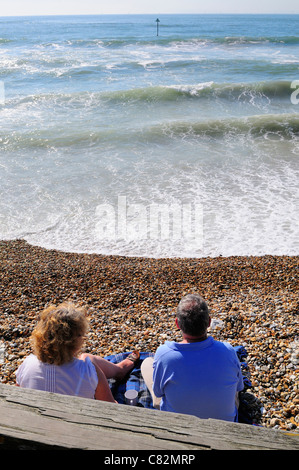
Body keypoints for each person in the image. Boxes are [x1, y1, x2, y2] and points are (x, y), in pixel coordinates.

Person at [141, 293, 244, 421]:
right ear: (209, 322)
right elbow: (239, 387)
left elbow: (158, 392)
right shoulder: (228, 351)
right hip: (224, 424)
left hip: (179, 426)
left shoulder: (164, 354)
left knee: (146, 363)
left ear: (177, 324)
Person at [16, 302, 139, 402]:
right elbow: (111, 408)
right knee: (86, 359)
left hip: (35, 426)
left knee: (86, 358)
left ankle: (119, 369)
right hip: (76, 430)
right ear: (73, 341)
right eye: (81, 335)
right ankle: (120, 370)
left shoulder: (27, 365)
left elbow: (18, 399)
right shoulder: (89, 370)